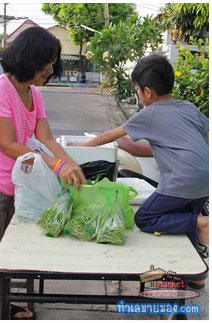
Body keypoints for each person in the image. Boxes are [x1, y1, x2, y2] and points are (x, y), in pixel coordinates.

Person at [0, 27, 86, 320]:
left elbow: (46, 138)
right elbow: (8, 146)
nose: (49, 70)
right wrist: (55, 165)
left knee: (11, 256)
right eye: (45, 63)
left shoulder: (33, 93)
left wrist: (73, 166)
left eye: (52, 63)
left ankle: (4, 306)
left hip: (18, 186)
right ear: (27, 59)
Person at [72, 54, 209, 268]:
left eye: (137, 89)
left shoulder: (151, 113)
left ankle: (202, 222)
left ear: (147, 91)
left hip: (180, 181)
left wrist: (81, 147)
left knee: (145, 218)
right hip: (205, 179)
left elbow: (112, 135)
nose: (138, 94)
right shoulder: (188, 107)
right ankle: (195, 272)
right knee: (185, 218)